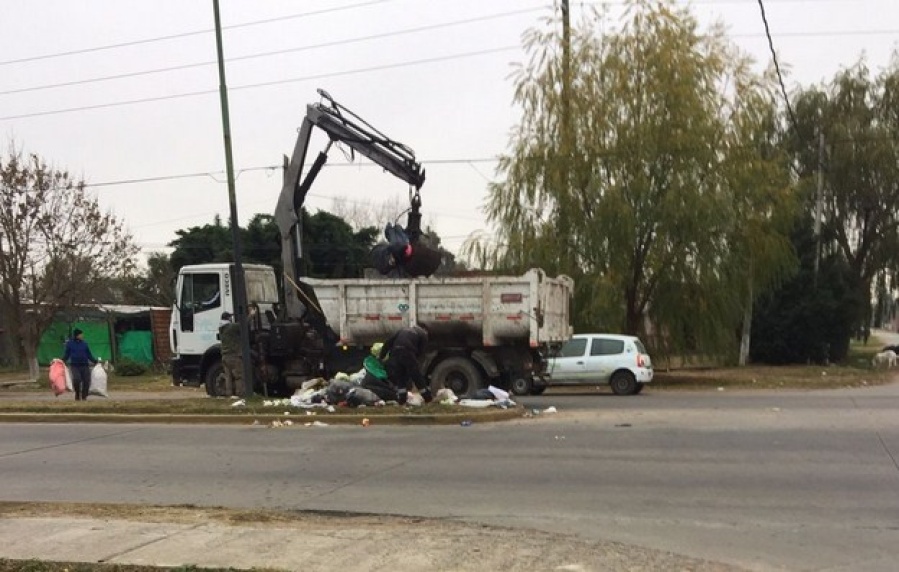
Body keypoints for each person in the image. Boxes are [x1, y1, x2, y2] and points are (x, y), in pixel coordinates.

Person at [379, 324, 432, 404]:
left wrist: (381, 356)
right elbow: (421, 352)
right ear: (425, 330)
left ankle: (402, 399)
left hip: (395, 352)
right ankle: (428, 398)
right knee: (416, 376)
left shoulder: (403, 330)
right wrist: (415, 363)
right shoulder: (423, 334)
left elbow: (388, 342)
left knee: (400, 376)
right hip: (408, 352)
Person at [62, 328, 97, 401]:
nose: (82, 336)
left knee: (86, 380)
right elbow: (67, 355)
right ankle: (77, 394)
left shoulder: (84, 344)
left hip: (85, 365)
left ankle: (84, 396)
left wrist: (95, 361)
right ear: (77, 335)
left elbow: (88, 354)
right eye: (81, 334)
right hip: (75, 365)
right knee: (77, 379)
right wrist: (61, 361)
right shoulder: (70, 344)